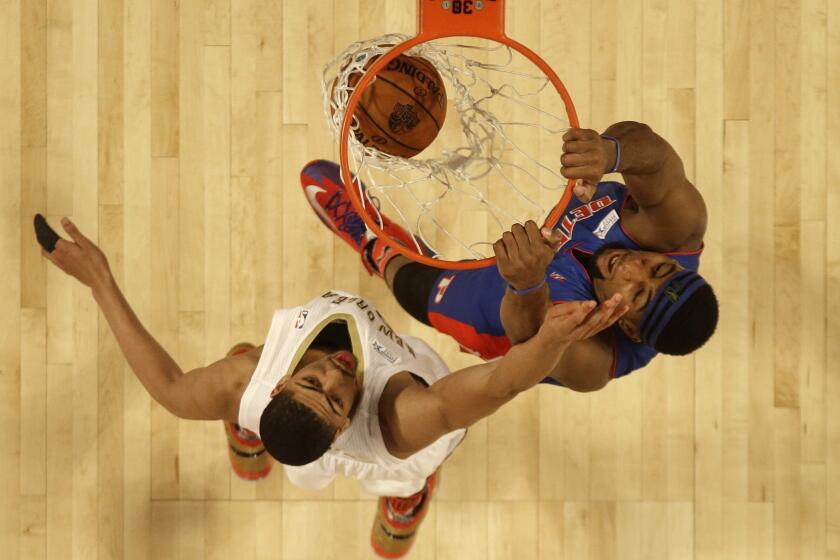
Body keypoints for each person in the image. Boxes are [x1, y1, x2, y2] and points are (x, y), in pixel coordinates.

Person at [35, 214, 626, 558]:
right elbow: (499, 384)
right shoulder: (402, 420)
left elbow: (165, 387)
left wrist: (99, 282)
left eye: (311, 378)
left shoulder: (252, 379)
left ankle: (249, 445)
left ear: (281, 386)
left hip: (295, 432)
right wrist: (548, 340)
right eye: (336, 393)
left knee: (237, 360)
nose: (335, 371)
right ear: (345, 419)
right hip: (399, 458)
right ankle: (404, 503)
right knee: (409, 474)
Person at [302, 121, 718, 393]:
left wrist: (527, 282)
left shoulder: (597, 361)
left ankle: (376, 248)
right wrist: (608, 153)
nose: (632, 268)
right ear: (676, 261)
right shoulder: (677, 228)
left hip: (516, 308)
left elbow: (526, 336)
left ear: (628, 328)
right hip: (543, 273)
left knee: (415, 288)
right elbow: (656, 156)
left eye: (638, 294)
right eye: (657, 268)